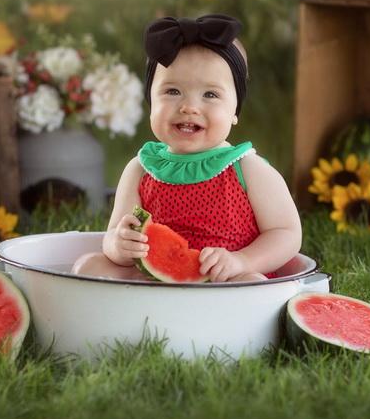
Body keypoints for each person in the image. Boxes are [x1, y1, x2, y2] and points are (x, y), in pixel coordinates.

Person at [72, 14, 301, 282]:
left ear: (234, 111)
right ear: (151, 103)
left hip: (223, 280)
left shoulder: (247, 169)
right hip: (154, 280)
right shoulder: (141, 169)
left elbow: (286, 233)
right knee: (89, 266)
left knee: (252, 283)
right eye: (172, 91)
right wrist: (119, 245)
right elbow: (112, 234)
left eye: (210, 95)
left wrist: (242, 260)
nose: (189, 107)